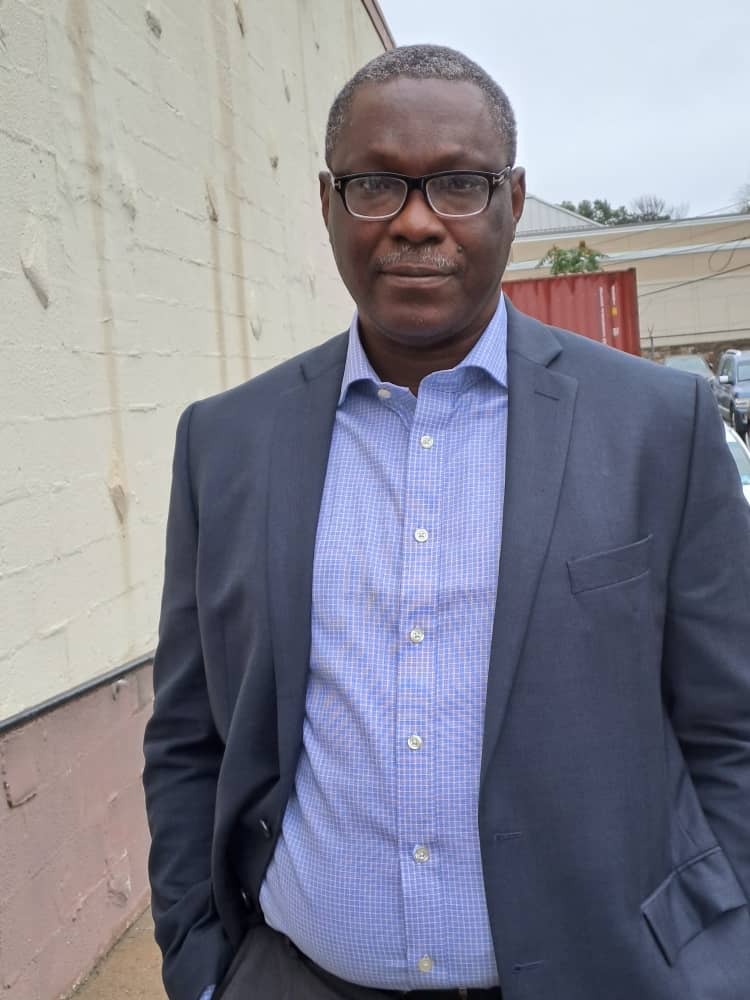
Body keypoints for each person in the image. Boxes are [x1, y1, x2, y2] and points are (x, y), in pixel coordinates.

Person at [143, 44, 750, 1000]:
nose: (417, 221)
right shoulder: (224, 443)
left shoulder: (655, 427)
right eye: (375, 184)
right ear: (328, 202)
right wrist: (199, 960)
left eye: (460, 183)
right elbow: (188, 736)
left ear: (514, 198)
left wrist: (724, 951)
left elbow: (731, 727)